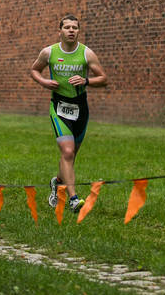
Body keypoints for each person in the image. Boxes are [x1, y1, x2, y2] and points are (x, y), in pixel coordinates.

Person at [30, 13, 107, 212]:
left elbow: (104, 79)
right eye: (67, 27)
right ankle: (73, 198)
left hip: (81, 108)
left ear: (78, 31)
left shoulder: (86, 54)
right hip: (59, 107)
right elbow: (34, 70)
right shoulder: (49, 52)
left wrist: (86, 81)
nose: (71, 30)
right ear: (60, 31)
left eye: (75, 27)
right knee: (67, 151)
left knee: (71, 156)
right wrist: (44, 82)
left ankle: (57, 183)